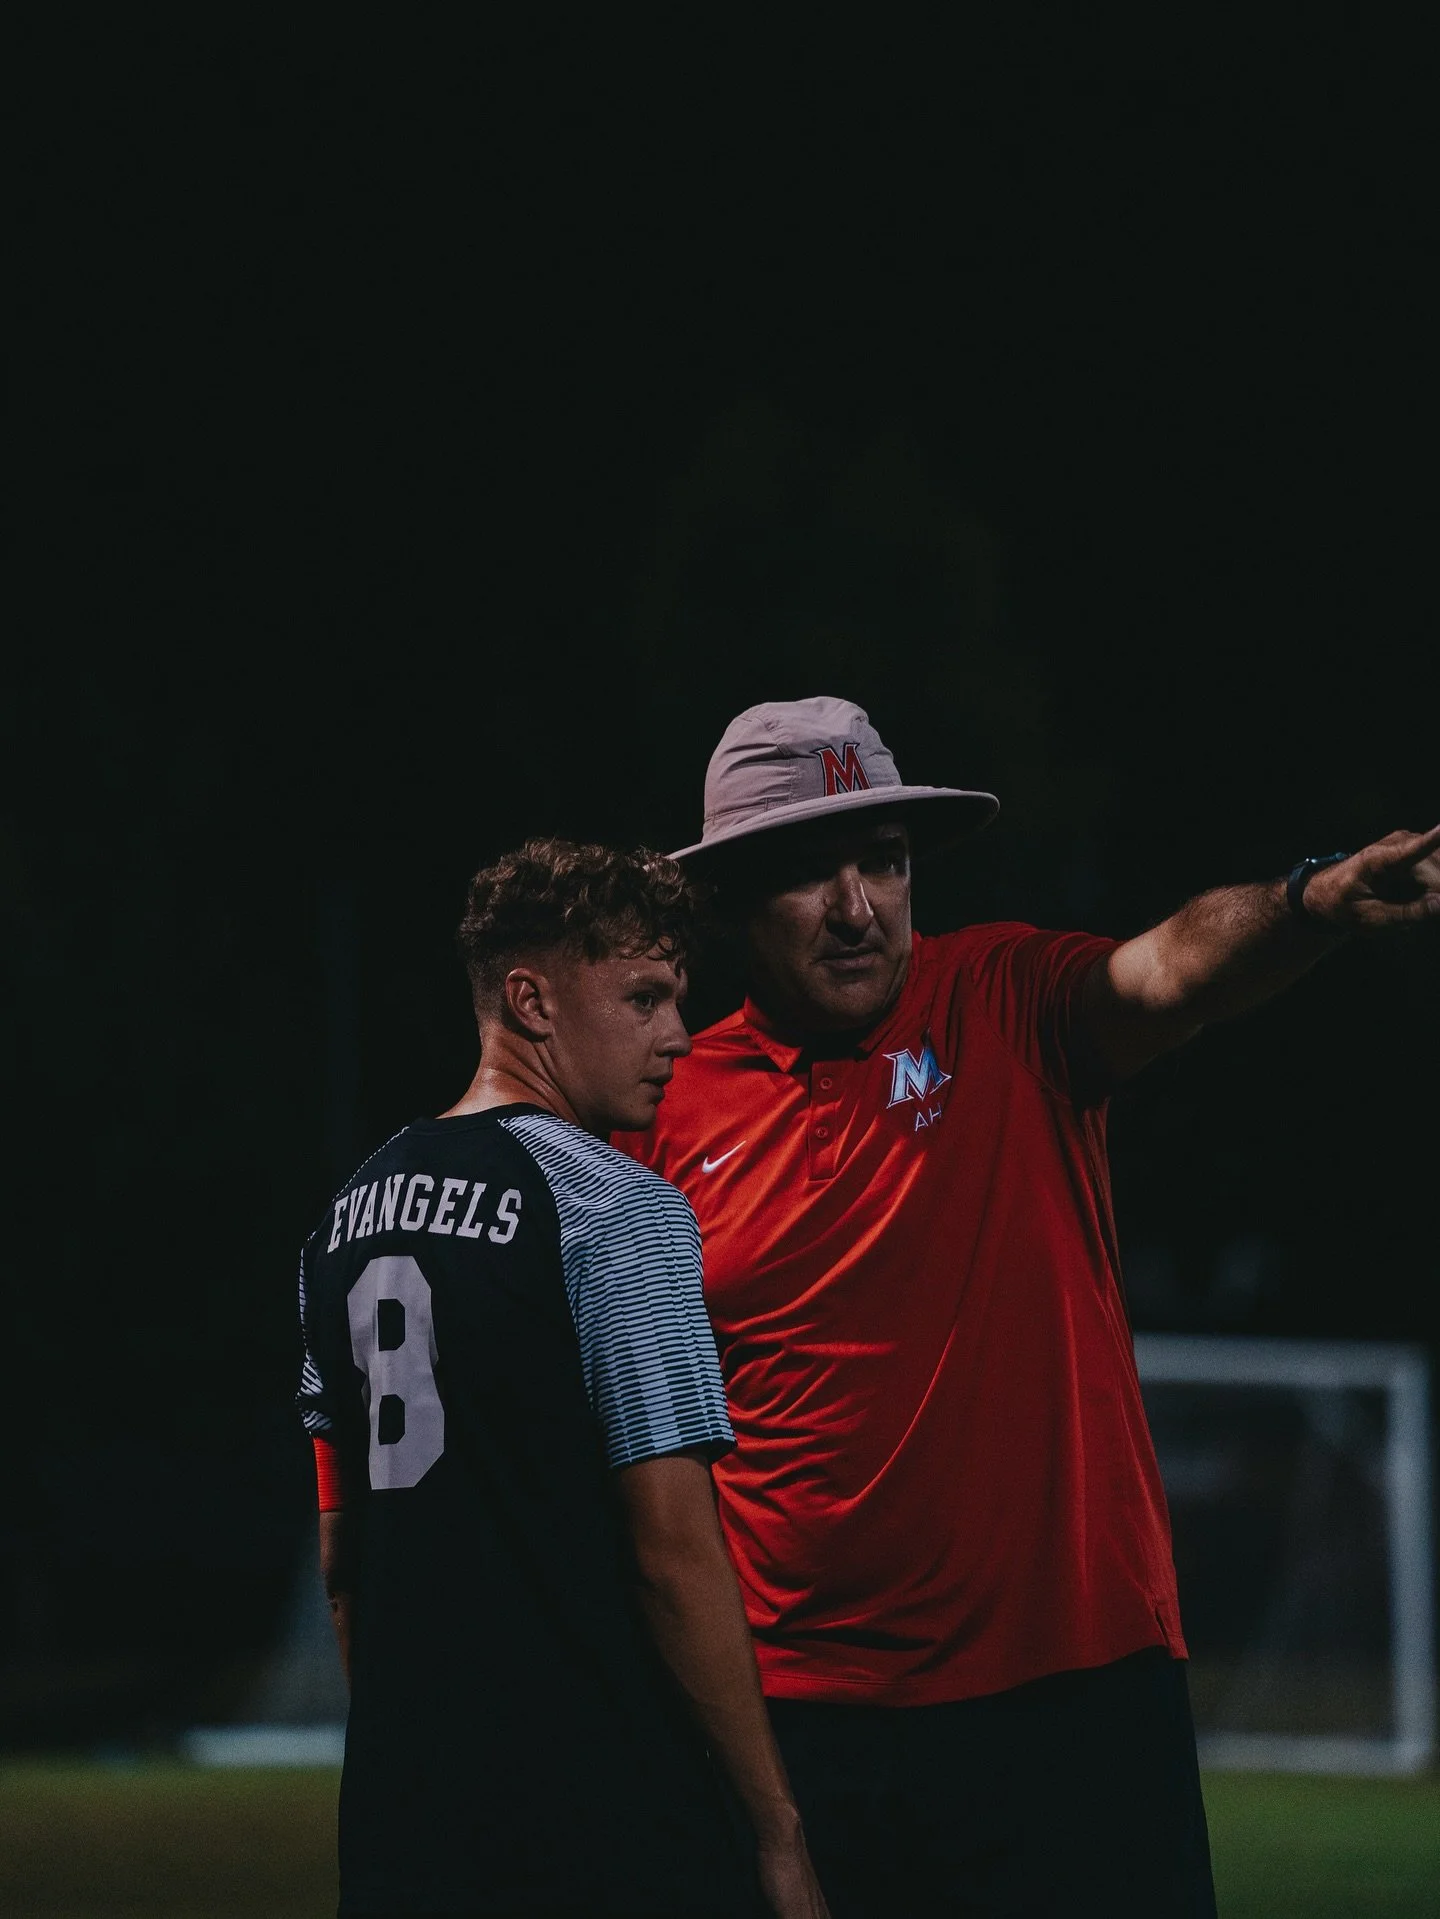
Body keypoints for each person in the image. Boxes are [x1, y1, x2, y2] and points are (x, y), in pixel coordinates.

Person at [616, 695, 1440, 1919]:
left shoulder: (1004, 994)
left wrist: (1307, 900)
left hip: (1075, 1693)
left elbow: (1170, 966)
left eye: (883, 862)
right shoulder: (663, 1110)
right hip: (804, 1722)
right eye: (808, 871)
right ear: (733, 895)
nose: (857, 907)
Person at [295, 838, 830, 1919]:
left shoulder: (341, 1218)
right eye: (642, 996)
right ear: (531, 1000)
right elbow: (672, 1550)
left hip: (402, 1813)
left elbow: (345, 1552)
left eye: (678, 997)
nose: (679, 1035)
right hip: (595, 1807)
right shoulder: (616, 1205)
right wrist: (778, 1829)